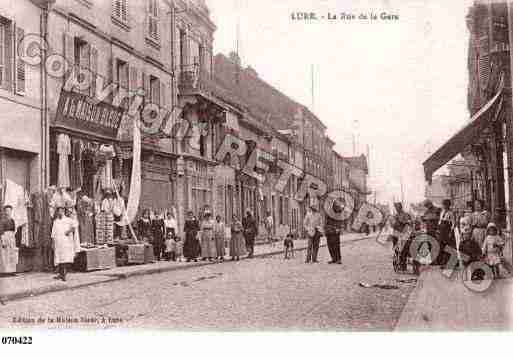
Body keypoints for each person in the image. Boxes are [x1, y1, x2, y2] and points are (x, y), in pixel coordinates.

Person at [51, 206, 76, 281]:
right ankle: (61, 273)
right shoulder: (56, 221)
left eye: (62, 211)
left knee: (65, 257)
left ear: (64, 211)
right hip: (58, 241)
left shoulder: (68, 220)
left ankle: (64, 274)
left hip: (66, 241)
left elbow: (74, 227)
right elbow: (53, 233)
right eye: (59, 211)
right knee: (59, 258)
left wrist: (68, 231)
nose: (60, 212)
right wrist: (52, 242)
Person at [325, 199, 344, 264]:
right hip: (328, 231)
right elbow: (326, 221)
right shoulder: (328, 212)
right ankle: (333, 258)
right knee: (330, 246)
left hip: (335, 231)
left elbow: (340, 221)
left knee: (336, 245)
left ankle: (338, 259)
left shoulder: (338, 212)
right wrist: (325, 230)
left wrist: (338, 228)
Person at [438, 199, 456, 267]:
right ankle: (443, 262)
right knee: (442, 246)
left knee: (447, 246)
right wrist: (439, 229)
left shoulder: (450, 213)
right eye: (443, 205)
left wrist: (451, 232)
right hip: (442, 230)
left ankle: (447, 262)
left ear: (448, 205)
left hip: (447, 230)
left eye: (445, 205)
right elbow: (440, 221)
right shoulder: (442, 212)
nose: (444, 206)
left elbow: (453, 223)